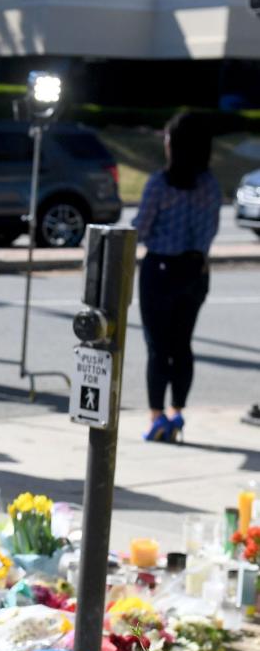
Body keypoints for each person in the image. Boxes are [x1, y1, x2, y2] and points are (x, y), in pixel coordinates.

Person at [133, 111, 219, 443]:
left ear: (175, 144)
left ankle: (156, 417)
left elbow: (141, 228)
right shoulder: (209, 185)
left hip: (160, 270)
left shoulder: (159, 183)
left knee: (157, 348)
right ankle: (177, 412)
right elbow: (209, 230)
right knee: (182, 345)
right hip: (195, 269)